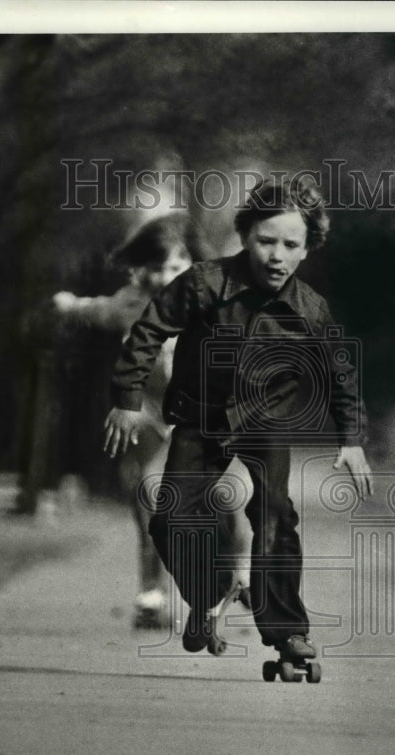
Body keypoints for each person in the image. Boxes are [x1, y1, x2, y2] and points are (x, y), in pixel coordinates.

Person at [103, 175, 372, 657]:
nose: (276, 255)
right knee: (170, 520)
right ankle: (210, 593)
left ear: (307, 249)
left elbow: (341, 372)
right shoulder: (204, 283)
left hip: (264, 420)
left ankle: (287, 629)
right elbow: (148, 330)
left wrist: (350, 439)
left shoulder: (310, 309)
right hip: (199, 417)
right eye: (266, 241)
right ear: (245, 235)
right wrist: (126, 398)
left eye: (291, 244)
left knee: (273, 517)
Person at [54, 213, 252, 628]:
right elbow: (102, 311)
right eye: (157, 267)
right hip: (148, 411)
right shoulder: (131, 300)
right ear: (142, 268)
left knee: (230, 495)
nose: (166, 277)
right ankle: (151, 595)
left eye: (176, 267)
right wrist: (70, 306)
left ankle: (242, 572)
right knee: (147, 494)